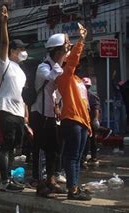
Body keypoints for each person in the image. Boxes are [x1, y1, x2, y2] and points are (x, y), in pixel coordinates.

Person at [55, 24, 92, 201]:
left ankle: (75, 187)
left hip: (82, 122)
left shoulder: (78, 80)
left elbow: (84, 104)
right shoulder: (64, 76)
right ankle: (72, 188)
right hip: (71, 120)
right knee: (72, 156)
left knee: (77, 158)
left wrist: (89, 125)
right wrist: (81, 41)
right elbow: (72, 60)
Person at [29, 33, 68, 197]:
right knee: (40, 150)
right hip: (40, 114)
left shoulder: (57, 65)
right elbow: (55, 77)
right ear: (57, 52)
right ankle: (40, 183)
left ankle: (51, 180)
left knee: (54, 150)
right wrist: (61, 63)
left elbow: (58, 91)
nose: (65, 54)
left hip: (52, 115)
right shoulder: (43, 67)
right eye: (64, 51)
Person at [0, 5, 28, 192]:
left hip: (18, 113)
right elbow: (4, 44)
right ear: (13, 51)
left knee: (15, 146)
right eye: (21, 48)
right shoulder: (4, 63)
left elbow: (21, 95)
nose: (23, 51)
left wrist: (25, 113)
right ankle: (4, 181)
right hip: (5, 109)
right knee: (6, 145)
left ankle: (10, 179)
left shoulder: (22, 72)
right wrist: (4, 23)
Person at [81, 77, 112, 166]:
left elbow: (96, 108)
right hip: (85, 120)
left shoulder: (91, 97)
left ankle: (87, 158)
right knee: (90, 139)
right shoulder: (82, 96)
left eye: (87, 86)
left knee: (90, 139)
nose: (85, 87)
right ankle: (89, 157)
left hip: (90, 120)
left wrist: (95, 120)